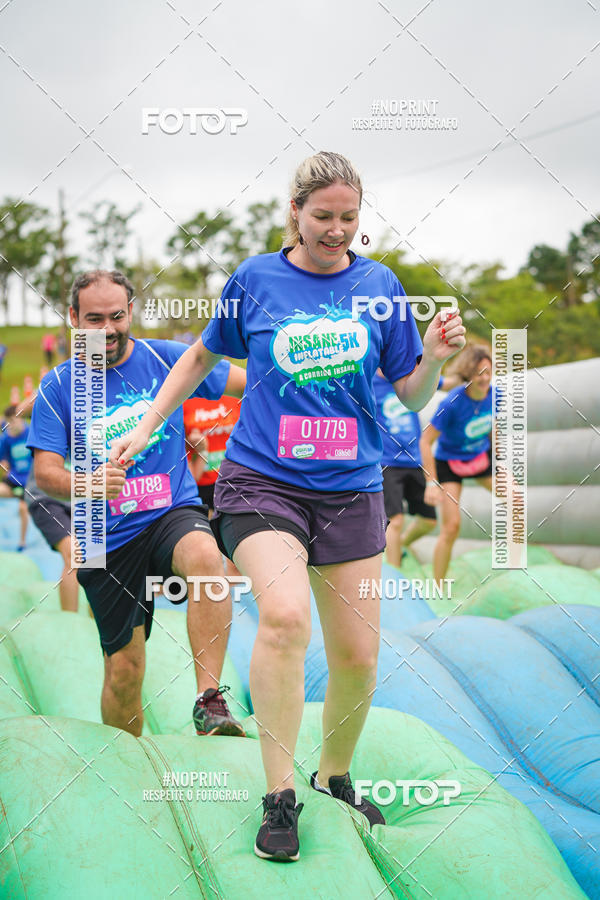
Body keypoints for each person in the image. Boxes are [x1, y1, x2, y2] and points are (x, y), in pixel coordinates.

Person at [110, 152, 466, 861]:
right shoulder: (257, 280)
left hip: (351, 489)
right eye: (322, 216)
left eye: (348, 218)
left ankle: (333, 776)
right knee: (282, 617)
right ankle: (279, 794)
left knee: (359, 658)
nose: (336, 230)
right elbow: (199, 359)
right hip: (261, 482)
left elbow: (412, 396)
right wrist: (147, 424)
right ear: (294, 214)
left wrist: (430, 357)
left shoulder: (380, 287)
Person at [28, 269, 248, 739]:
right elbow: (42, 475)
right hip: (101, 539)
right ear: (72, 318)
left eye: (116, 316)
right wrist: (87, 484)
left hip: (171, 512)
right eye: (93, 319)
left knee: (209, 561)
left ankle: (210, 701)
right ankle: (130, 764)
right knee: (125, 671)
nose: (106, 330)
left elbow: (248, 383)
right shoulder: (58, 385)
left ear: (131, 312)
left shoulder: (166, 358)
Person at [420, 345, 495, 584]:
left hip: (479, 458)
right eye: (479, 373)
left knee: (515, 497)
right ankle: (439, 586)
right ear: (468, 375)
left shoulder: (497, 396)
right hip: (450, 463)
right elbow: (425, 440)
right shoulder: (452, 403)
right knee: (451, 527)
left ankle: (516, 562)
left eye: (488, 372)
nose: (484, 378)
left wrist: (499, 461)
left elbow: (491, 427)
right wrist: (431, 482)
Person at [375, 369, 463, 567]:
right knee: (394, 520)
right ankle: (395, 576)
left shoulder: (408, 377)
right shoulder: (369, 381)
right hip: (387, 461)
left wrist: (466, 372)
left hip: (415, 459)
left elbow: (447, 383)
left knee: (429, 521)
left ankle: (400, 546)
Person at [24, 463, 81, 612]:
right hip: (46, 498)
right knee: (74, 555)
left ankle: (98, 629)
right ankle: (70, 622)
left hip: (83, 501)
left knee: (96, 562)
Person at [183, 395, 241, 513]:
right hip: (201, 487)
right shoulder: (183, 406)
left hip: (235, 481)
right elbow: (190, 476)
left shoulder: (235, 401)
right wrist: (201, 449)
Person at [0, 405, 32, 551]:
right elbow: (4, 460)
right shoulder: (6, 439)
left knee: (22, 508)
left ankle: (22, 542)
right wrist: (5, 466)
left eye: (13, 421)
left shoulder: (31, 433)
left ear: (21, 419)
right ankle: (18, 495)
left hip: (30, 480)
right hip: (14, 478)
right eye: (8, 422)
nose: (11, 426)